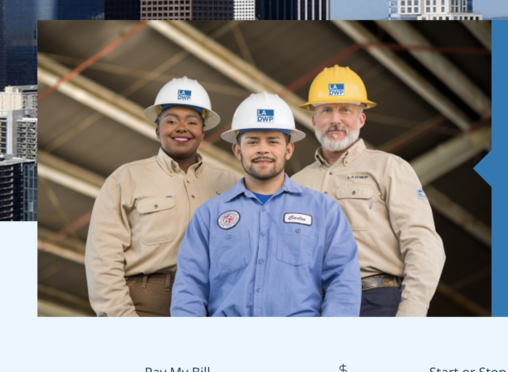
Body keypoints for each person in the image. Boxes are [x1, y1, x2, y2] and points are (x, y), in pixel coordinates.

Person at [170, 92, 360, 317]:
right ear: (237, 151)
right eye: (252, 142)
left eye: (273, 141)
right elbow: (189, 288)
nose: (263, 149)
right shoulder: (209, 215)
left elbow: (343, 282)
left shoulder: (323, 210)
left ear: (288, 150)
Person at [292, 65, 446, 317]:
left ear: (361, 119)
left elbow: (422, 242)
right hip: (311, 306)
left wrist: (412, 311)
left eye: (345, 110)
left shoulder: (389, 168)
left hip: (374, 301)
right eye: (326, 110)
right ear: (314, 120)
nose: (335, 119)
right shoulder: (295, 183)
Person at [84, 77, 239, 317]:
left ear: (202, 132)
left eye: (192, 121)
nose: (181, 127)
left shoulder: (231, 184)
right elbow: (102, 258)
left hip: (214, 304)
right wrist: (122, 318)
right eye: (171, 120)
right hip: (146, 306)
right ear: (157, 130)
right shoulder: (126, 179)